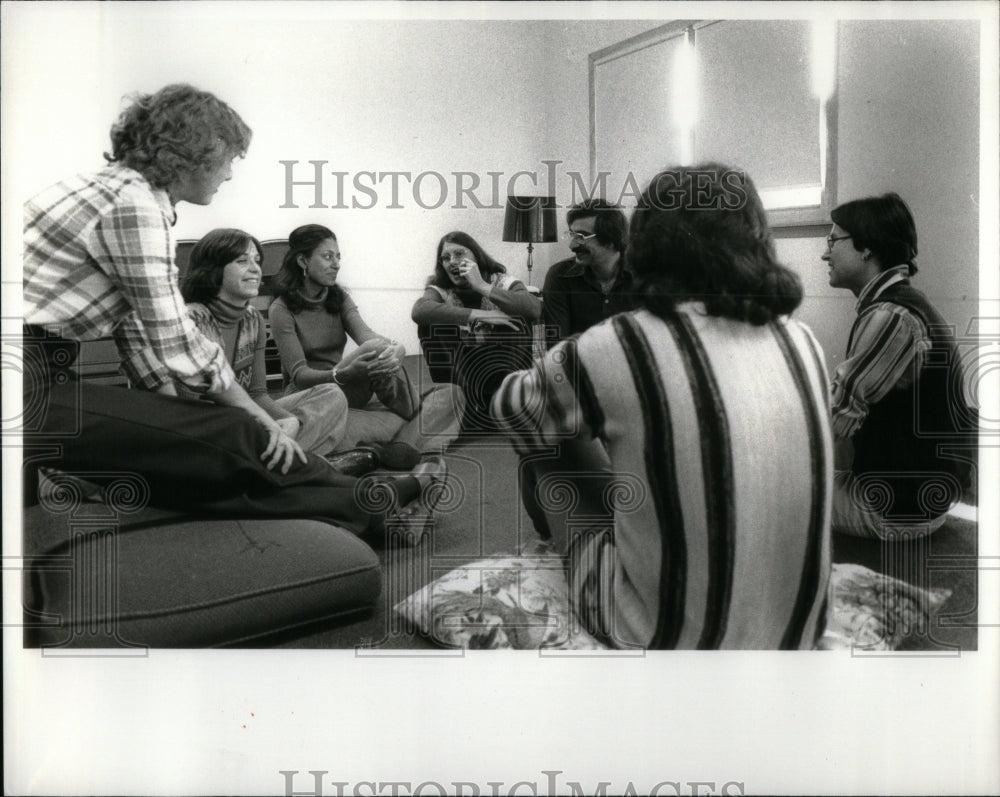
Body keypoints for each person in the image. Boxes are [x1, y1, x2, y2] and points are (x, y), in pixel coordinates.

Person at [20, 84, 392, 532]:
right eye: (230, 157)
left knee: (199, 443)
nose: (230, 174)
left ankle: (361, 504)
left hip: (44, 369)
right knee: (234, 430)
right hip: (23, 375)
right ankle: (366, 499)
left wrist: (178, 433)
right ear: (196, 149)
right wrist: (252, 422)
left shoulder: (120, 195)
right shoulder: (133, 204)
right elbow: (178, 343)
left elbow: (140, 340)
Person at [492, 163, 833, 650]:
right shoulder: (804, 341)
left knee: (547, 442)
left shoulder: (619, 343)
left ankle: (575, 552)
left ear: (645, 241)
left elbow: (511, 411)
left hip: (662, 636)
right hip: (797, 630)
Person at [268, 224, 459, 502]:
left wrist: (399, 349)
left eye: (338, 257)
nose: (336, 265)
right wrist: (342, 374)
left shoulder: (338, 297)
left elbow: (369, 336)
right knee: (381, 367)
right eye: (328, 257)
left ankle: (392, 446)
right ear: (302, 261)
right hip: (318, 399)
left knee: (453, 394)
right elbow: (300, 375)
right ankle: (407, 435)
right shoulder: (281, 309)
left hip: (354, 394)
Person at [822, 192, 973, 540]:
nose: (825, 252)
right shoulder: (904, 304)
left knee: (767, 491)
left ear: (866, 248)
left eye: (833, 240)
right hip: (917, 498)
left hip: (897, 510)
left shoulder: (890, 317)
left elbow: (836, 417)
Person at [411, 231, 541, 425]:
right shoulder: (439, 287)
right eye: (445, 258)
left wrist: (481, 286)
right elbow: (419, 311)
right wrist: (479, 315)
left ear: (476, 256)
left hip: (502, 367)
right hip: (462, 370)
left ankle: (501, 405)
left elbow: (533, 308)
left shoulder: (503, 281)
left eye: (459, 253)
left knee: (518, 320)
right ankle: (457, 403)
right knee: (430, 324)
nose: (452, 262)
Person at [540, 198, 635, 347]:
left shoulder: (643, 276)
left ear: (611, 240)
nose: (572, 245)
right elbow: (558, 349)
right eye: (572, 235)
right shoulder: (559, 277)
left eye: (582, 237)